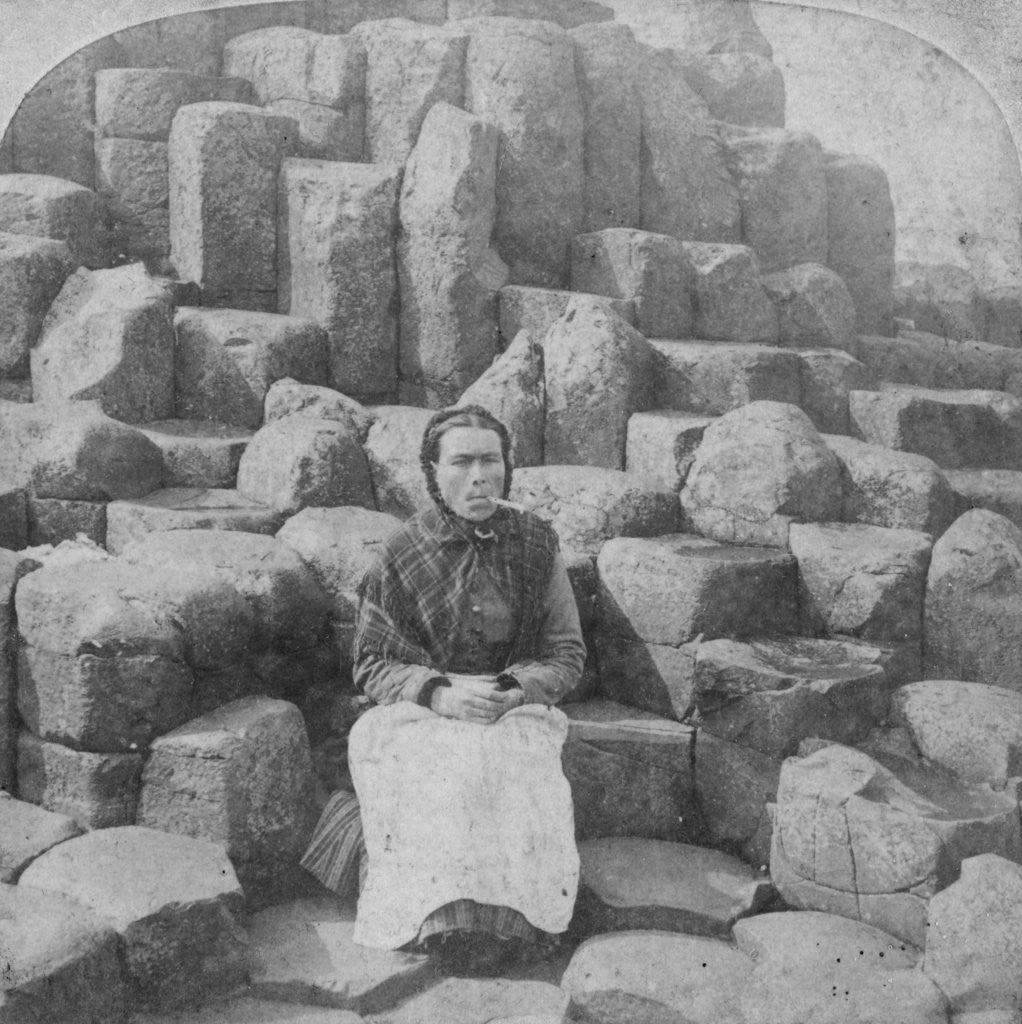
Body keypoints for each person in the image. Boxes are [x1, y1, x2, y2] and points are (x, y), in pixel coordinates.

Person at [301, 404, 587, 974]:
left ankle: (514, 924)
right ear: (432, 472)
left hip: (509, 705)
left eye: (491, 461)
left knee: (514, 763)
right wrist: (437, 693)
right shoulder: (402, 551)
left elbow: (566, 654)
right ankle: (438, 922)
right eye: (461, 462)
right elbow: (373, 660)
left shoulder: (536, 543)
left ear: (508, 468)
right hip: (424, 707)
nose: (478, 476)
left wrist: (518, 689)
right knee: (440, 764)